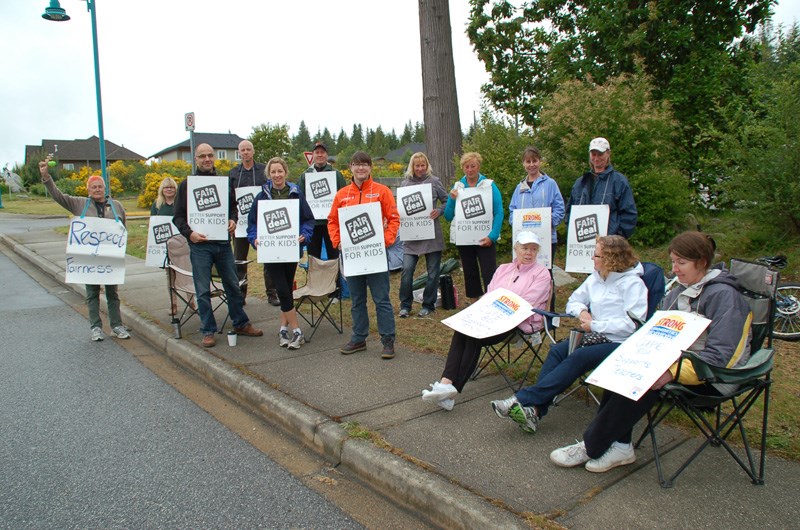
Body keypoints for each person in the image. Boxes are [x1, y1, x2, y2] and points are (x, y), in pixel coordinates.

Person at [549, 231, 752, 473]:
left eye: (681, 262)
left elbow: (721, 356)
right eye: (673, 262)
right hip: (676, 360)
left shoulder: (724, 295)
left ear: (702, 262)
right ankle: (621, 446)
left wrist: (670, 371)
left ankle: (590, 447)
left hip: (714, 374)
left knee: (644, 379)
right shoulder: (679, 290)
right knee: (621, 366)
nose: (674, 269)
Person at [490, 235, 647, 432]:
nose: (592, 258)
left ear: (610, 259)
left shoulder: (633, 284)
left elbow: (632, 324)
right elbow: (574, 300)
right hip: (594, 335)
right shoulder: (596, 278)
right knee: (557, 350)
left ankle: (521, 399)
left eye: (596, 255)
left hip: (620, 342)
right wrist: (582, 312)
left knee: (578, 356)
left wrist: (596, 324)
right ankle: (535, 412)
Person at [421, 231, 552, 411]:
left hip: (517, 322)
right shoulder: (503, 269)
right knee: (462, 328)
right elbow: (490, 294)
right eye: (525, 248)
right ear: (516, 248)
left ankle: (453, 389)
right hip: (491, 316)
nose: (529, 253)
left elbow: (527, 303)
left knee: (476, 336)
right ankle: (446, 383)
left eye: (533, 249)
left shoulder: (542, 274)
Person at [172, 143, 263, 348]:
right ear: (195, 159)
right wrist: (190, 234)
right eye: (202, 156)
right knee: (202, 290)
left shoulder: (225, 182)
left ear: (214, 158)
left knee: (233, 285)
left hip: (222, 244)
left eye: (210, 155)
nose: (206, 159)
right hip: (200, 246)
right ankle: (208, 330)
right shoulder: (187, 185)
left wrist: (232, 220)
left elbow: (233, 208)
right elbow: (177, 217)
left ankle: (240, 322)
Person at [38, 156, 130, 342]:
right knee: (92, 293)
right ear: (88, 190)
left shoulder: (117, 206)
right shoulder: (79, 204)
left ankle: (116, 326)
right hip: (89, 260)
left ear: (105, 188)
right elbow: (58, 196)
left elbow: (123, 230)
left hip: (110, 259)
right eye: (93, 187)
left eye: (100, 186)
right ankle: (96, 327)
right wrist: (46, 177)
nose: (97, 189)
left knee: (113, 293)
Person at [327, 151, 400, 359]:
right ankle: (359, 337)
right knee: (357, 299)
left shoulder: (382, 191)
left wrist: (385, 241)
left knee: (381, 299)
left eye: (365, 165)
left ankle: (388, 340)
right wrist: (337, 242)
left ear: (370, 168)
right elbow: (332, 221)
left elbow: (394, 219)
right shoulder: (342, 195)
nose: (361, 168)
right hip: (352, 257)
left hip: (376, 254)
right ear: (350, 167)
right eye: (357, 164)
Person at [246, 157, 314, 350]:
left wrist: (304, 235)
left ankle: (283, 329)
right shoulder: (261, 197)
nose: (277, 175)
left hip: (291, 249)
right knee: (283, 290)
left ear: (285, 172)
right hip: (270, 250)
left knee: (286, 290)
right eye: (273, 172)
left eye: (280, 171)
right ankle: (297, 331)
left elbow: (308, 219)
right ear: (269, 174)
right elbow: (252, 224)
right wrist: (254, 239)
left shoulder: (295, 193)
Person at [443, 152, 504, 302]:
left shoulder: (489, 185)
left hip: (485, 237)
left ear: (478, 166)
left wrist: (493, 236)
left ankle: (491, 301)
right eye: (467, 166)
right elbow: (448, 216)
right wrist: (451, 200)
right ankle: (475, 302)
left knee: (489, 271)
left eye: (473, 166)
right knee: (470, 272)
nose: (470, 170)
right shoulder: (458, 186)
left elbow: (499, 211)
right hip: (465, 238)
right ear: (463, 168)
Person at [397, 152, 448, 318]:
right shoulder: (404, 185)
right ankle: (405, 305)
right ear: (412, 166)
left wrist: (439, 210)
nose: (420, 168)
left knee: (433, 273)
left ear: (427, 166)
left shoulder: (434, 181)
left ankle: (428, 305)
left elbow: (447, 201)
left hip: (431, 235)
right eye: (417, 165)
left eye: (423, 165)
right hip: (411, 237)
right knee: (407, 270)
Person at [228, 140, 274, 305]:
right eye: (242, 150)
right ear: (239, 153)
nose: (246, 152)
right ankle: (241, 294)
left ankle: (272, 293)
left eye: (248, 149)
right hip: (240, 224)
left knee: (268, 258)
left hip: (263, 223)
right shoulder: (233, 173)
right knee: (239, 260)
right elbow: (229, 198)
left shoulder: (263, 171)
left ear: (253, 151)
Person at [565, 137, 637, 239]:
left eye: (600, 154)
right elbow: (569, 213)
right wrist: (573, 234)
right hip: (582, 245)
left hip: (610, 245)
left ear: (608, 153)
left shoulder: (619, 181)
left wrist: (618, 238)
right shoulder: (580, 183)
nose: (596, 158)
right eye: (593, 154)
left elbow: (629, 214)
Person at [508, 146, 565, 258]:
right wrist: (516, 223)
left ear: (540, 161)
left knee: (545, 273)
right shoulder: (519, 187)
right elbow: (512, 211)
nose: (531, 164)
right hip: (524, 240)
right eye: (528, 161)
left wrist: (548, 222)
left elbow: (559, 208)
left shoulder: (550, 184)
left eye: (534, 161)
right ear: (523, 164)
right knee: (525, 272)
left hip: (546, 238)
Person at [298, 141, 347, 261]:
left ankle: (335, 279)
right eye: (317, 152)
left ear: (327, 155)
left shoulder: (336, 174)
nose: (320, 155)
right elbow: (300, 199)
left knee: (334, 255)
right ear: (313, 155)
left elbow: (343, 196)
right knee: (313, 256)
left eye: (322, 152)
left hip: (331, 222)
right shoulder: (305, 175)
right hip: (313, 223)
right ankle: (314, 279)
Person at [150, 176, 184, 316]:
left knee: (186, 275)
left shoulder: (180, 203)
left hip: (181, 245)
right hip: (165, 247)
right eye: (166, 187)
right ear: (162, 190)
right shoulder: (157, 205)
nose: (169, 189)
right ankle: (173, 304)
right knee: (170, 277)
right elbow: (153, 225)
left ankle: (191, 302)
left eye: (171, 187)